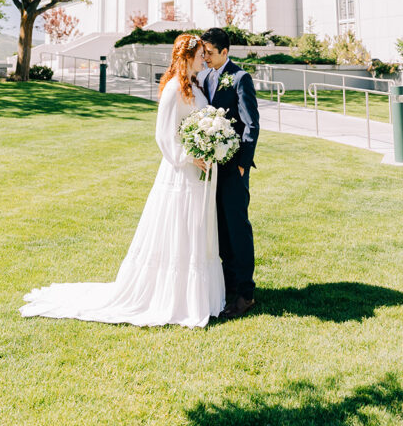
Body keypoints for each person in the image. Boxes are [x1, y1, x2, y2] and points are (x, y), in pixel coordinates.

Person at [20, 34, 224, 328]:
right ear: (187, 56)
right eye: (200, 54)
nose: (204, 58)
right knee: (179, 228)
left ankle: (198, 296)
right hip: (180, 171)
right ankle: (173, 298)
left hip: (198, 173)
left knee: (195, 228)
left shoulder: (196, 86)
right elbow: (164, 135)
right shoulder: (172, 90)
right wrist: (188, 156)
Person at [200, 27, 260, 319]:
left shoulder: (240, 78)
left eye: (210, 52)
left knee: (237, 229)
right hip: (212, 171)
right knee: (221, 230)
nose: (205, 56)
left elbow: (251, 124)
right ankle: (229, 286)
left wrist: (241, 163)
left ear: (225, 52)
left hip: (233, 168)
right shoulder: (205, 78)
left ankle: (245, 294)